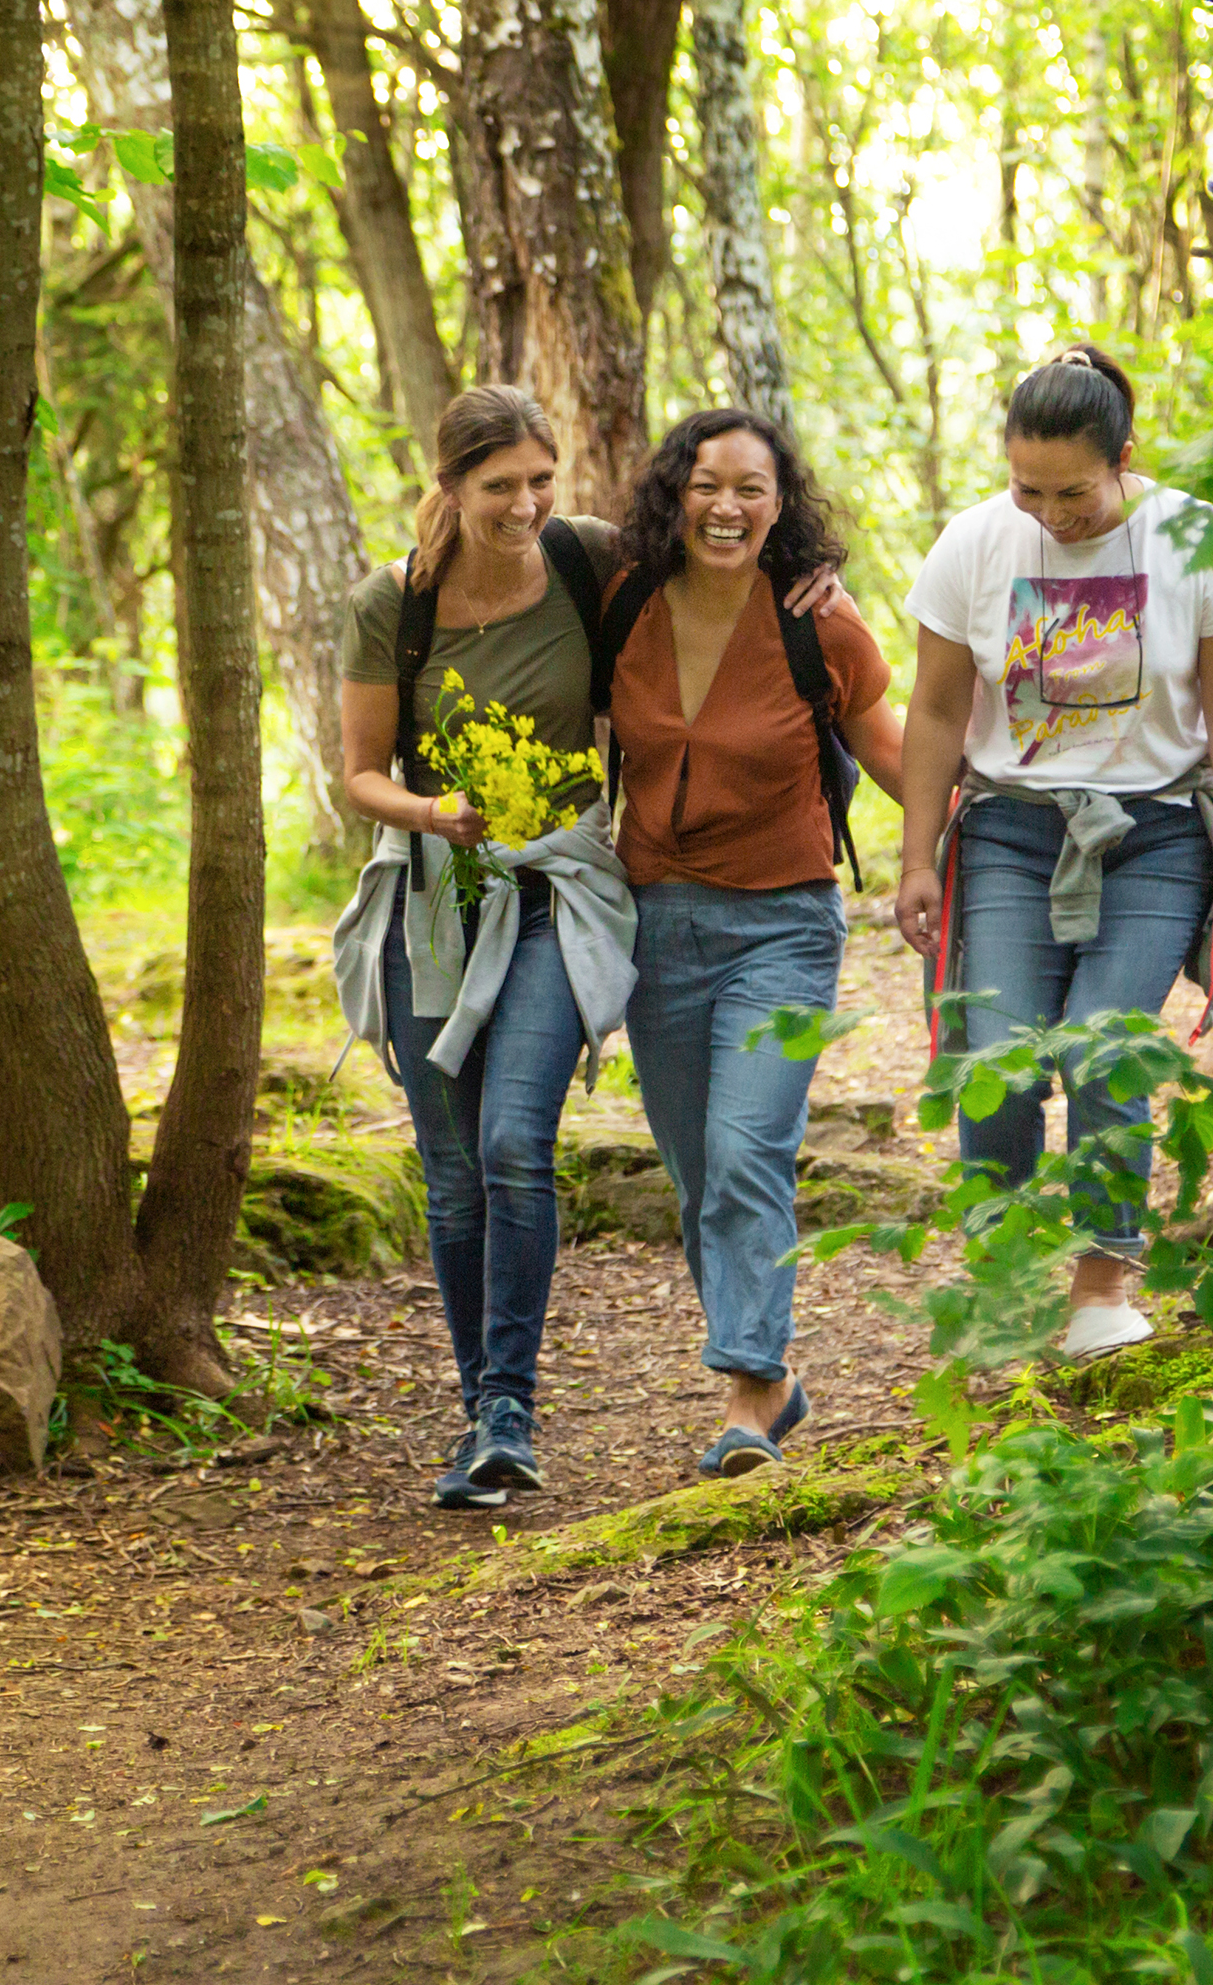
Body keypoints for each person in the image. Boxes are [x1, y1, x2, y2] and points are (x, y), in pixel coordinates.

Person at [891, 343, 1213, 1362]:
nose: (1051, 515)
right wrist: (915, 857)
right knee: (1000, 1053)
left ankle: (1102, 1286)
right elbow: (934, 711)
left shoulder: (1192, 537)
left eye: (1072, 492)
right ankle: (1004, 1283)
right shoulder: (974, 543)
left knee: (1105, 1039)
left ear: (1123, 457)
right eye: (1028, 488)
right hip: (1012, 831)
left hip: (1151, 831)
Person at [331, 386, 632, 1510]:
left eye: (539, 479)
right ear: (449, 487)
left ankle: (509, 1401)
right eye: (498, 484)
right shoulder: (392, 603)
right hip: (439, 894)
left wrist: (818, 576)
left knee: (515, 1140)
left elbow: (724, 566)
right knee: (452, 1175)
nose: (524, 503)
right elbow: (358, 772)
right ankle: (482, 1416)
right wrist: (430, 813)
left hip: (555, 887)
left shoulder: (587, 558)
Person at [602, 409, 905, 1478]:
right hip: (653, 929)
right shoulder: (623, 596)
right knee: (696, 1173)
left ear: (781, 505)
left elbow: (897, 754)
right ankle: (767, 1376)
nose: (724, 506)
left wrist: (966, 858)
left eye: (749, 488)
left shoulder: (817, 623)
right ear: (671, 494)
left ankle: (748, 1383)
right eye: (703, 484)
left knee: (745, 1151)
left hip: (780, 923)